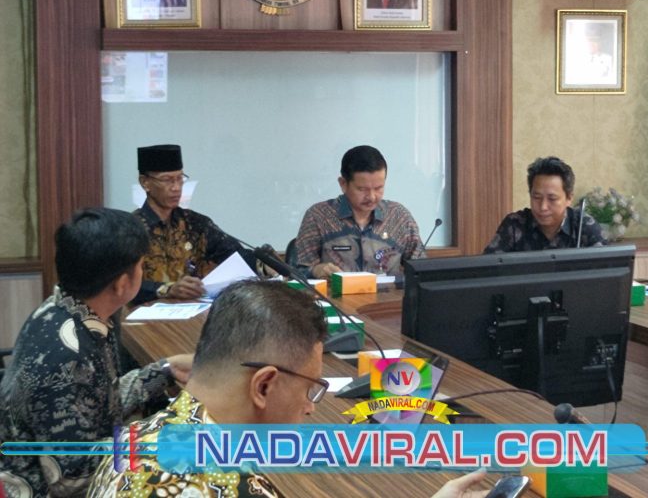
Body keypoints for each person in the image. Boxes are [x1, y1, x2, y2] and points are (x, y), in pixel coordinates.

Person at [88, 279, 489, 497]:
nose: (311, 407)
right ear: (263, 385)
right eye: (310, 389)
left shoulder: (137, 438)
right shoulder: (231, 486)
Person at [0, 208, 192, 497]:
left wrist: (165, 371)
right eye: (141, 266)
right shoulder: (65, 356)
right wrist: (159, 440)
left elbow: (100, 403)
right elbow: (73, 479)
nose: (143, 272)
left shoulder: (69, 310)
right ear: (122, 283)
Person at [133, 144, 268, 304]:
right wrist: (167, 289)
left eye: (180, 179)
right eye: (167, 180)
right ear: (145, 183)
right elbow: (119, 281)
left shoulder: (195, 224)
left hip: (192, 311)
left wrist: (264, 266)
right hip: (141, 314)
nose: (176, 188)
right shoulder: (129, 229)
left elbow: (235, 255)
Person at [294, 145, 425, 279]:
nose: (372, 197)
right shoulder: (318, 217)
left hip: (388, 292)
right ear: (343, 184)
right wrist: (315, 270)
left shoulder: (398, 217)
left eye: (379, 188)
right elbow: (296, 273)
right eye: (362, 189)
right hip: (335, 292)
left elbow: (422, 268)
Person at [484, 156, 605, 253]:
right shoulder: (515, 225)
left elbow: (606, 271)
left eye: (552, 199)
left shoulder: (585, 226)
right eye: (536, 197)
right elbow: (488, 269)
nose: (543, 207)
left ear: (569, 198)